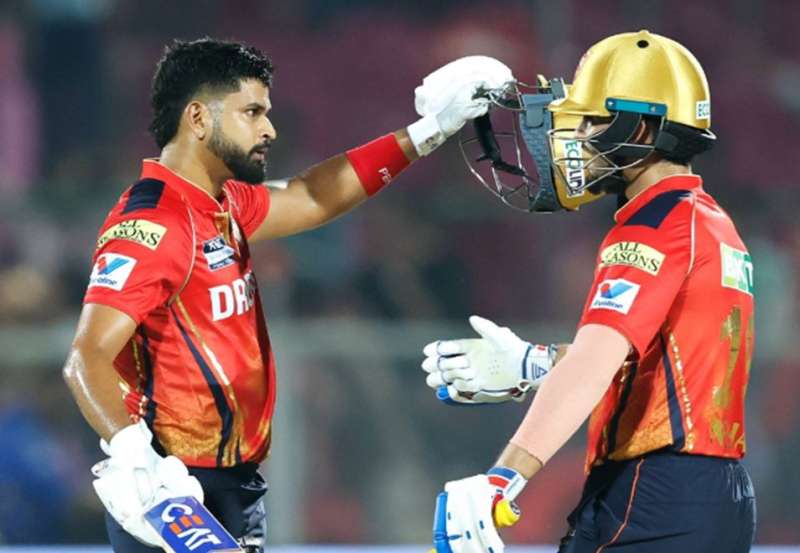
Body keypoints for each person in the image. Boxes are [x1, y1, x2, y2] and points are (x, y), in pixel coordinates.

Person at [61, 38, 512, 552]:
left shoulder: (222, 203)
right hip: (175, 488)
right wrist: (137, 462)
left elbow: (312, 195)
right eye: (252, 112)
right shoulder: (155, 223)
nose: (269, 129)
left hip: (233, 481)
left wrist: (429, 132)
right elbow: (86, 358)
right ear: (198, 118)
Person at [422, 30, 756, 553]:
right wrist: (536, 363)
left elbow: (594, 365)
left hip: (655, 490)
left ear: (640, 127)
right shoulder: (708, 221)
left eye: (591, 120)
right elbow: (657, 364)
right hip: (707, 490)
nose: (573, 137)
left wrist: (503, 478)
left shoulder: (653, 228)